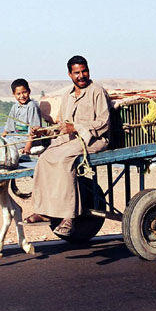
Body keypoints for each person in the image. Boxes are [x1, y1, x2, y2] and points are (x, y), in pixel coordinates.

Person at [24, 56, 111, 235]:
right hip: (71, 140)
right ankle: (45, 210)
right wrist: (43, 132)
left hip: (93, 140)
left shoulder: (97, 92)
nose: (81, 76)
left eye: (84, 71)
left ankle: (68, 216)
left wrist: (77, 127)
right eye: (77, 73)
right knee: (45, 158)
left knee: (64, 160)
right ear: (70, 75)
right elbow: (62, 126)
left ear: (88, 71)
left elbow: (104, 123)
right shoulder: (68, 96)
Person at [0, 78, 43, 198]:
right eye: (18, 94)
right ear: (14, 95)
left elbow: (33, 130)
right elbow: (8, 126)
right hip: (16, 138)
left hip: (29, 140)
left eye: (24, 92)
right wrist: (0, 138)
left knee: (3, 150)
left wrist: (27, 147)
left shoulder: (32, 106)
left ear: (29, 91)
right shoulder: (15, 107)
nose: (22, 96)